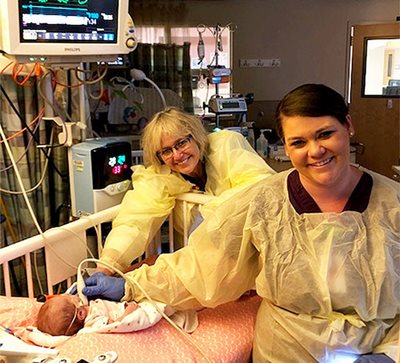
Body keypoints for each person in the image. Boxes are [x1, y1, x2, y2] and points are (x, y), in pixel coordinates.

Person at [82, 84, 399, 362]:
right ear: (286, 147)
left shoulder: (393, 205)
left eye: (325, 134)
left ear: (348, 126)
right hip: (286, 350)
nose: (315, 151)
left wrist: (392, 354)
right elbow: (199, 265)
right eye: (298, 142)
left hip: (373, 346)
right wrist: (124, 278)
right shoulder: (265, 203)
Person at [98, 106, 275, 274]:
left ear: (195, 136)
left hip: (254, 253)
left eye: (181, 143)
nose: (177, 155)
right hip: (203, 264)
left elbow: (258, 187)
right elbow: (134, 221)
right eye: (166, 151)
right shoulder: (159, 175)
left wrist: (208, 214)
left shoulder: (225, 145)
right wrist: (108, 264)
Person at [36, 294, 170, 336]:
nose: (74, 295)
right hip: (135, 309)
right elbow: (115, 325)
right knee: (164, 303)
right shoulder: (94, 321)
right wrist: (130, 312)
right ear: (81, 314)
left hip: (127, 302)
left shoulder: (87, 307)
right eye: (70, 298)